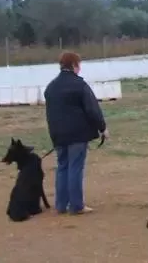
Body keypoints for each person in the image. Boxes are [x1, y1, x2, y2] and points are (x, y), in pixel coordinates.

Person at [44, 51, 109, 215]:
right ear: (74, 65)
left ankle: (60, 205)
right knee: (75, 168)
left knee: (62, 167)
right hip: (77, 135)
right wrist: (102, 128)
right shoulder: (80, 85)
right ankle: (77, 205)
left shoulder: (51, 87)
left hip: (58, 134)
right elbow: (92, 109)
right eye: (78, 65)